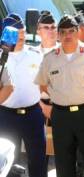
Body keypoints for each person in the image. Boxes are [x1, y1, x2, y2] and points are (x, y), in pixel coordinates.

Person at [34, 15, 84, 177]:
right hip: (61, 116)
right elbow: (42, 83)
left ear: (78, 32)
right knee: (64, 164)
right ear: (58, 35)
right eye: (63, 32)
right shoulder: (50, 57)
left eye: (71, 31)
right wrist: (60, 95)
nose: (67, 35)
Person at [0, 15, 46, 177]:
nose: (20, 37)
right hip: (6, 116)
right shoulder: (1, 57)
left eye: (22, 32)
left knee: (38, 159)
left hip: (32, 114)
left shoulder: (35, 54)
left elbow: (43, 83)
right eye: (16, 34)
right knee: (7, 161)